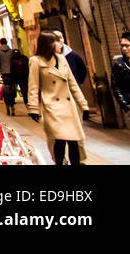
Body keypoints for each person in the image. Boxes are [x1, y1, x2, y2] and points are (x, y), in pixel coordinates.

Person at [28, 30, 90, 166]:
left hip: (69, 107)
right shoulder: (35, 61)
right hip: (52, 107)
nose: (60, 44)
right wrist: (33, 108)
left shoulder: (62, 59)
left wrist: (83, 105)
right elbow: (33, 86)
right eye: (56, 41)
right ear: (48, 44)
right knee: (59, 141)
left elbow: (72, 84)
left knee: (74, 141)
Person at [110, 31, 130, 158]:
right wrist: (127, 106)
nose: (124, 48)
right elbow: (116, 87)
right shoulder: (120, 65)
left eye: (127, 45)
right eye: (122, 45)